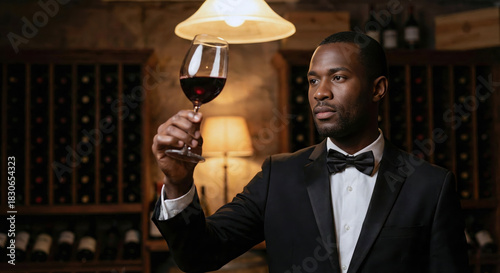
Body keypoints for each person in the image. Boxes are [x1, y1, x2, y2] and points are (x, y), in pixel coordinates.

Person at [151, 31, 468, 273]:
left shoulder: (431, 186)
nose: (320, 92)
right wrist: (178, 183)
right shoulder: (278, 175)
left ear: (377, 88)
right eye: (313, 80)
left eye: (338, 77)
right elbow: (199, 256)